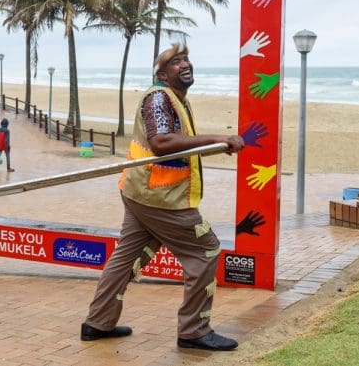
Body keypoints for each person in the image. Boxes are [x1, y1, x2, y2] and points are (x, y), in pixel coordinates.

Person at [81, 43, 245, 351]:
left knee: (126, 257)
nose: (185, 64)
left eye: (186, 59)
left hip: (140, 191)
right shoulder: (158, 97)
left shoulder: (174, 99)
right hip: (160, 197)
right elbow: (160, 141)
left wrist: (215, 142)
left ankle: (97, 322)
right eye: (175, 62)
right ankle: (194, 330)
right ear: (162, 74)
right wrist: (218, 138)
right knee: (206, 250)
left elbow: (174, 140)